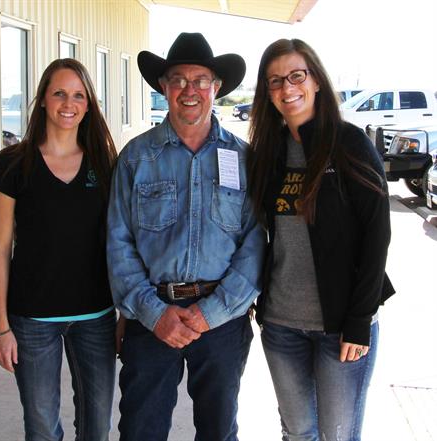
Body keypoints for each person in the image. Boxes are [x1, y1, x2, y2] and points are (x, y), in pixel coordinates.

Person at [107, 32, 265, 441]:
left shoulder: (244, 159)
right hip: (151, 316)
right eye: (178, 79)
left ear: (217, 88)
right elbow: (118, 245)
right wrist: (153, 313)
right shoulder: (136, 159)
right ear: (164, 87)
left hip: (223, 321)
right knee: (141, 430)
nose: (189, 90)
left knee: (218, 430)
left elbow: (255, 244)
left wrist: (210, 313)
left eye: (201, 80)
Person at [247, 38, 396, 441]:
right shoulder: (267, 153)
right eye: (275, 80)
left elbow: (377, 235)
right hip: (281, 324)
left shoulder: (348, 143)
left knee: (338, 435)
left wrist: (359, 322)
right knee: (297, 432)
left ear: (315, 81)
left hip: (341, 327)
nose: (287, 87)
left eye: (296, 75)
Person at [0, 58, 118, 441]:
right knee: (42, 428)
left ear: (89, 105)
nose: (68, 102)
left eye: (79, 95)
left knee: (97, 428)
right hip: (32, 320)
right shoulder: (13, 163)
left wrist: (124, 313)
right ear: (43, 99)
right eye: (59, 92)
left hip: (95, 315)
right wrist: (0, 328)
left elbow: (117, 243)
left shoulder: (104, 163)